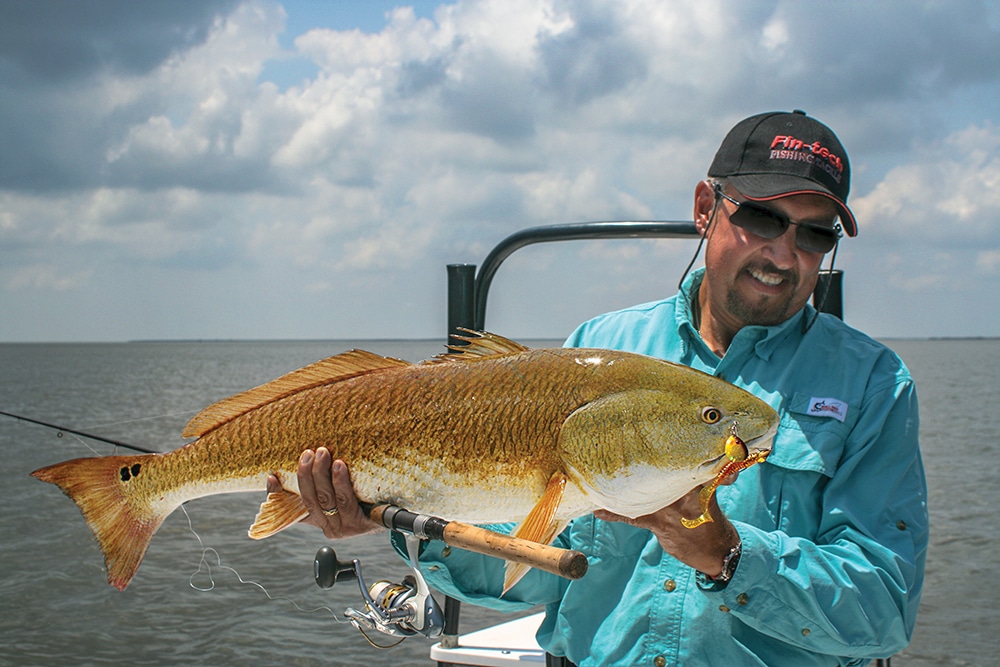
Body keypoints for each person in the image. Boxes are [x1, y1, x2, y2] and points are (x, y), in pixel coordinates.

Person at [275, 110, 928, 666]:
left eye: (815, 233)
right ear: (706, 209)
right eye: (760, 218)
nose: (784, 255)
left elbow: (885, 608)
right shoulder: (600, 343)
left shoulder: (873, 385)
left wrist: (727, 553)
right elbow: (525, 561)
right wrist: (402, 518)